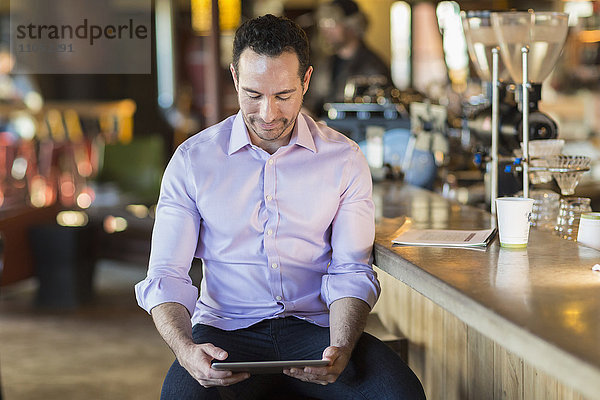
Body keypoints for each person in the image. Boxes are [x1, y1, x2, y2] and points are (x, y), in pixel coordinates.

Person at [135, 14, 425, 400]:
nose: (268, 114)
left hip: (318, 329)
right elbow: (166, 274)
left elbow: (351, 268)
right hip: (225, 331)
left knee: (399, 394)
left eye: (283, 95)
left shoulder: (343, 158)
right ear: (235, 77)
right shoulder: (192, 160)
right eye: (253, 94)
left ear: (305, 81)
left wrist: (341, 346)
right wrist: (186, 350)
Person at [303, 0, 393, 117]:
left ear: (352, 26)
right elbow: (313, 101)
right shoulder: (324, 64)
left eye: (332, 23)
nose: (325, 30)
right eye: (323, 23)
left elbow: (380, 113)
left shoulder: (373, 67)